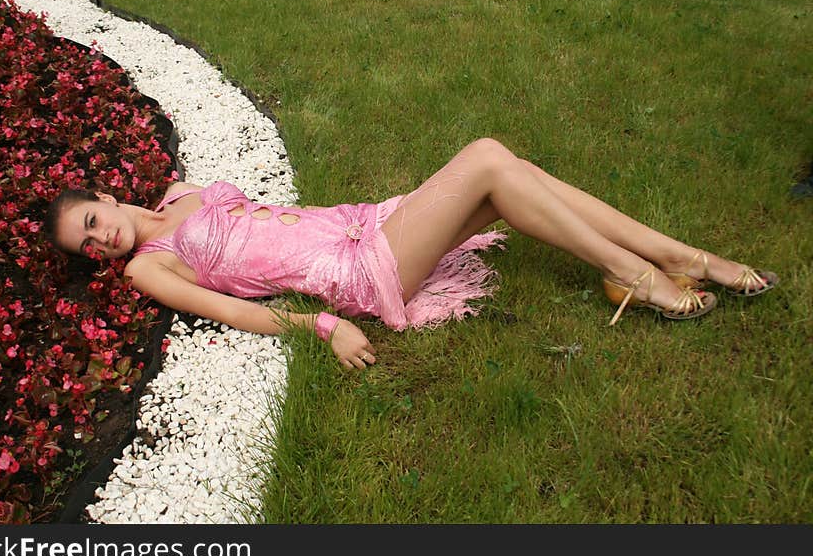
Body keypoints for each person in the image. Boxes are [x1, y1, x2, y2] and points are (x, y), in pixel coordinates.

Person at [46, 138, 777, 370]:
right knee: (489, 159)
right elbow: (230, 309)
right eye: (86, 247)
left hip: (363, 224)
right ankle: (635, 273)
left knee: (513, 184)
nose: (98, 240)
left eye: (89, 220)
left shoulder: (179, 190)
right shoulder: (151, 265)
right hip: (354, 269)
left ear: (104, 198)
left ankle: (682, 256)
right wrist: (324, 328)